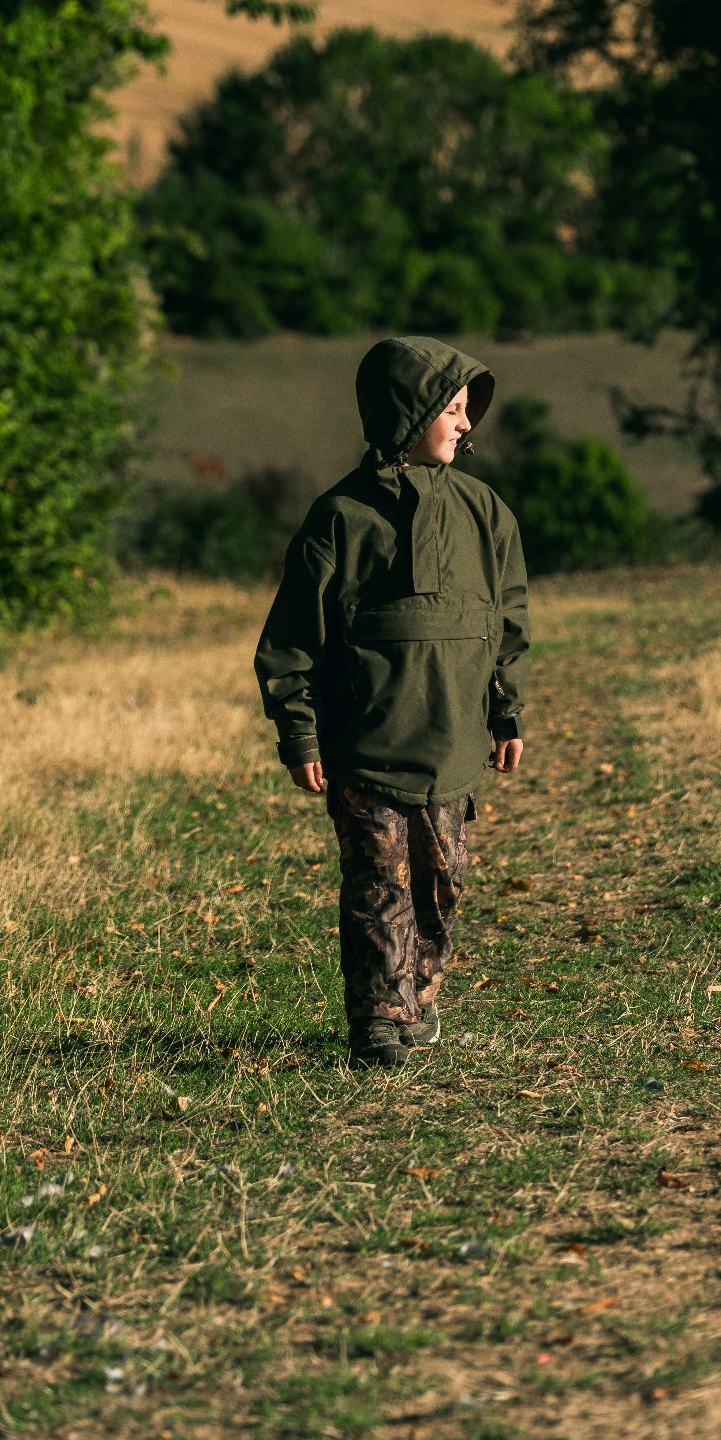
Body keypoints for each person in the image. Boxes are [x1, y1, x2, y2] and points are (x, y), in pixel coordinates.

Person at [254, 336, 530, 1066]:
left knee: (443, 887)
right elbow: (292, 641)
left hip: (453, 747)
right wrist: (301, 735)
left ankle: (419, 998)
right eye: (452, 407)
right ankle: (378, 1016)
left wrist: (507, 712)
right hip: (364, 747)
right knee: (378, 885)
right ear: (407, 412)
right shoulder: (340, 517)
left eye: (469, 410)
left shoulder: (485, 513)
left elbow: (508, 623)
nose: (467, 424)